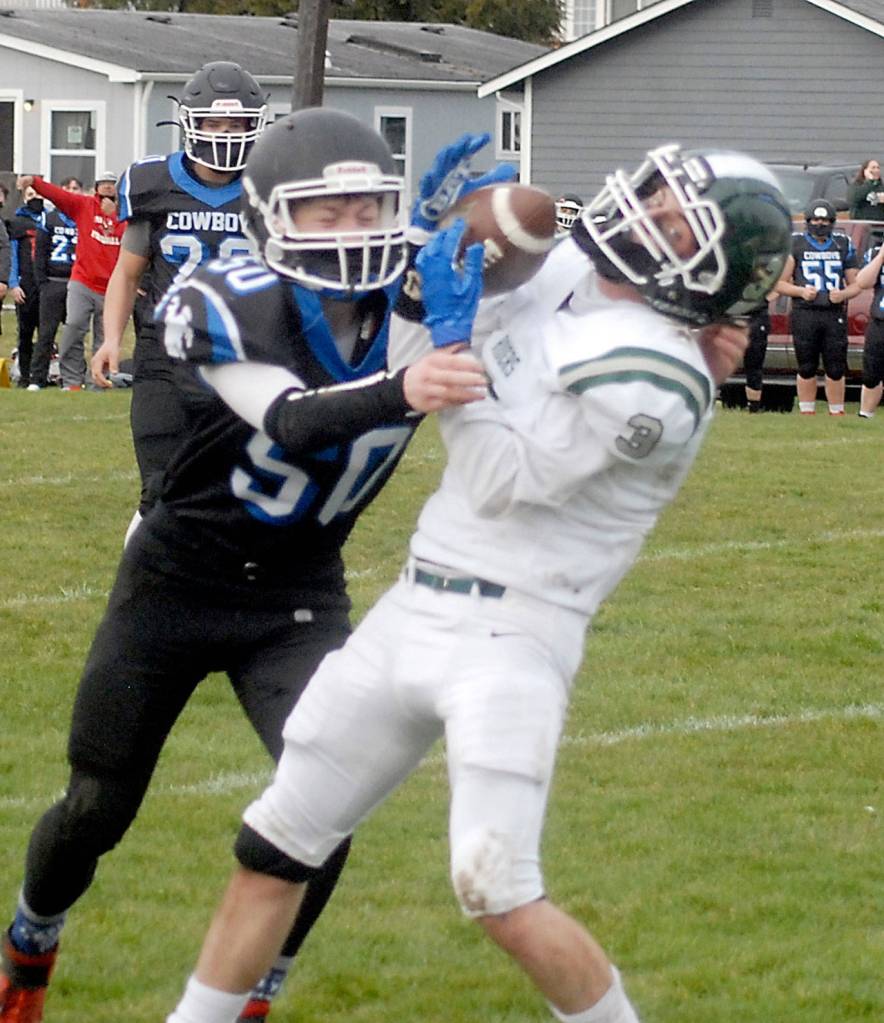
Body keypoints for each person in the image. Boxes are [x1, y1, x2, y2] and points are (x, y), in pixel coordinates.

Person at [162, 145, 792, 1023]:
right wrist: (425, 270)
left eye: (675, 219)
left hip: (516, 633)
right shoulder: (568, 263)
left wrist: (458, 345)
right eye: (651, 190)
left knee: (497, 886)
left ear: (708, 271)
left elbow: (499, 475)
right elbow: (415, 368)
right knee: (275, 839)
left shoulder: (662, 374)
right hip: (414, 600)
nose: (640, 207)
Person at [0, 112, 495, 1023]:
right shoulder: (218, 296)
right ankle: (29, 943)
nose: (353, 231)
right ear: (268, 218)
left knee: (326, 798)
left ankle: (252, 995)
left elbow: (528, 244)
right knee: (97, 805)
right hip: (175, 583)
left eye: (367, 209)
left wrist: (506, 226)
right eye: (326, 212)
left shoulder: (424, 293)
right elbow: (296, 419)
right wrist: (409, 381)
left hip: (299, 594)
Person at [94, 61, 268, 533]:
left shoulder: (270, 189)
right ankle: (144, 593)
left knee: (237, 491)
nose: (226, 134)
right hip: (164, 354)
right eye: (215, 122)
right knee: (160, 489)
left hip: (242, 354)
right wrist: (111, 339)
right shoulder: (155, 184)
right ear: (190, 122)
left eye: (237, 124)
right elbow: (127, 274)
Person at [18, 171, 124, 390]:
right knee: (73, 327)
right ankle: (72, 380)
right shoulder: (83, 206)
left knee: (103, 337)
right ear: (96, 187)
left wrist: (115, 216)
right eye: (103, 184)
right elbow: (58, 195)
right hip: (82, 280)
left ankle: (98, 382)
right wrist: (35, 183)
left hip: (112, 286)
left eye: (111, 184)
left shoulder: (125, 215)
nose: (107, 188)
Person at [774, 198, 860, 415]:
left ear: (831, 221)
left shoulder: (842, 243)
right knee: (806, 365)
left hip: (833, 312)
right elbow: (780, 283)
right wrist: (801, 291)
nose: (819, 223)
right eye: (815, 219)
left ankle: (837, 412)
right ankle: (806, 411)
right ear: (807, 221)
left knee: (836, 366)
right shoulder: (796, 243)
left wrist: (843, 294)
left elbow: (856, 284)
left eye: (824, 219)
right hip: (805, 311)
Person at [27, 177, 81, 390]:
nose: (71, 191)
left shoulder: (83, 217)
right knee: (46, 334)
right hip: (54, 281)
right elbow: (39, 252)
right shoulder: (49, 219)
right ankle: (36, 378)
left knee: (75, 333)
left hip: (77, 282)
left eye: (75, 188)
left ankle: (71, 378)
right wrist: (43, 283)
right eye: (68, 188)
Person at [6, 185, 45, 388]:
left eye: (38, 194)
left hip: (46, 284)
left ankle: (42, 375)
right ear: (23, 197)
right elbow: (11, 255)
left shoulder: (50, 220)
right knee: (25, 332)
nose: (35, 198)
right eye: (30, 194)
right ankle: (25, 375)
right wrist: (13, 284)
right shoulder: (17, 223)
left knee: (46, 332)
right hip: (25, 284)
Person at [853, 230, 884, 417]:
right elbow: (862, 282)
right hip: (880, 320)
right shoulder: (875, 253)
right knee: (871, 374)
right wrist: (880, 257)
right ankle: (865, 414)